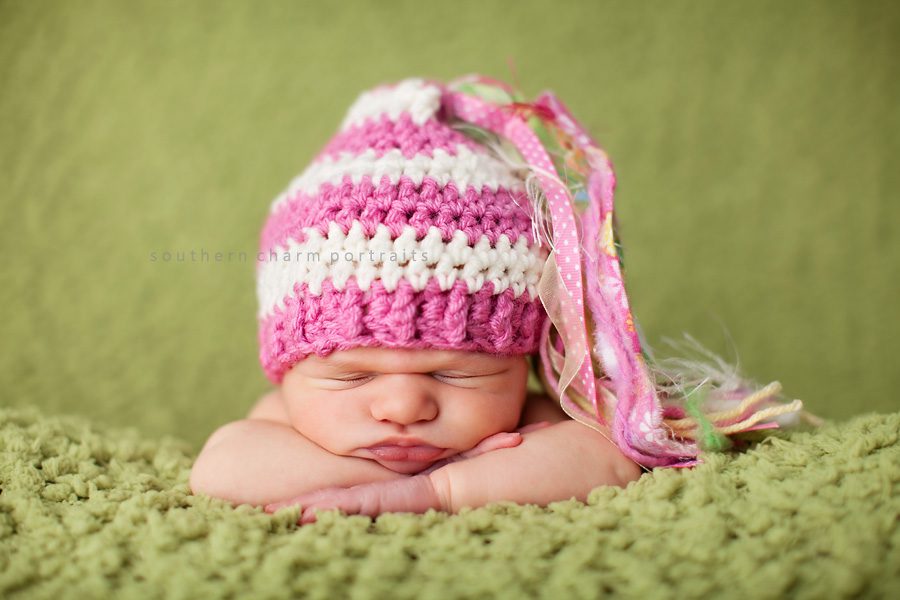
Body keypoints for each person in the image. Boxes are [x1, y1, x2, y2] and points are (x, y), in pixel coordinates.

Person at [189, 75, 812, 525]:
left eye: (457, 372)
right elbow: (221, 470)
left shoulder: (531, 417)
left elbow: (608, 458)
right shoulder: (278, 420)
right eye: (351, 375)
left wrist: (433, 492)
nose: (403, 406)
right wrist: (417, 478)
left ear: (527, 364)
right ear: (287, 366)